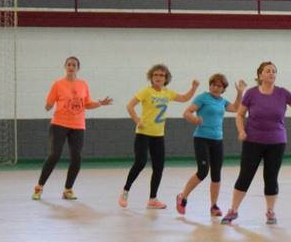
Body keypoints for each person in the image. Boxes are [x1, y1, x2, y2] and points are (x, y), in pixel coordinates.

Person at [221, 61, 291, 225]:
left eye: (274, 71)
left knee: (271, 177)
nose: (271, 73)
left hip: (277, 142)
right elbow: (239, 114)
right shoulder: (251, 93)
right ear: (260, 75)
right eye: (268, 71)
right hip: (253, 141)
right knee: (245, 175)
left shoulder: (282, 93)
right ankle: (233, 210)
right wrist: (241, 131)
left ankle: (270, 211)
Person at [120, 64, 199, 209]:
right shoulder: (146, 91)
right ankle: (125, 191)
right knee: (140, 163)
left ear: (166, 78)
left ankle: (152, 199)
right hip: (143, 134)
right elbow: (130, 106)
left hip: (158, 135)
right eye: (155, 75)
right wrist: (137, 120)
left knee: (159, 167)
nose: (158, 77)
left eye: (161, 75)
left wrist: (193, 88)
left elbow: (184, 98)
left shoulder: (167, 93)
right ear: (151, 77)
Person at [35, 56, 113, 201]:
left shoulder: (83, 84)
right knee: (54, 155)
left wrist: (100, 103)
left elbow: (87, 104)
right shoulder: (58, 84)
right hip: (59, 124)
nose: (71, 67)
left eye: (74, 65)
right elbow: (49, 103)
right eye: (69, 64)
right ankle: (39, 187)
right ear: (65, 67)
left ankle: (68, 189)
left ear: (78, 68)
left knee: (76, 157)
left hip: (78, 125)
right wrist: (48, 106)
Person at [176, 74, 244, 217]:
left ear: (223, 89)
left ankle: (214, 206)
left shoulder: (222, 101)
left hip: (217, 140)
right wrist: (195, 120)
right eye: (213, 84)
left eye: (219, 86)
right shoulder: (203, 98)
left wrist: (240, 92)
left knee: (216, 175)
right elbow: (187, 112)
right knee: (202, 171)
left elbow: (236, 108)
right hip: (201, 138)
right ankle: (183, 196)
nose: (215, 87)